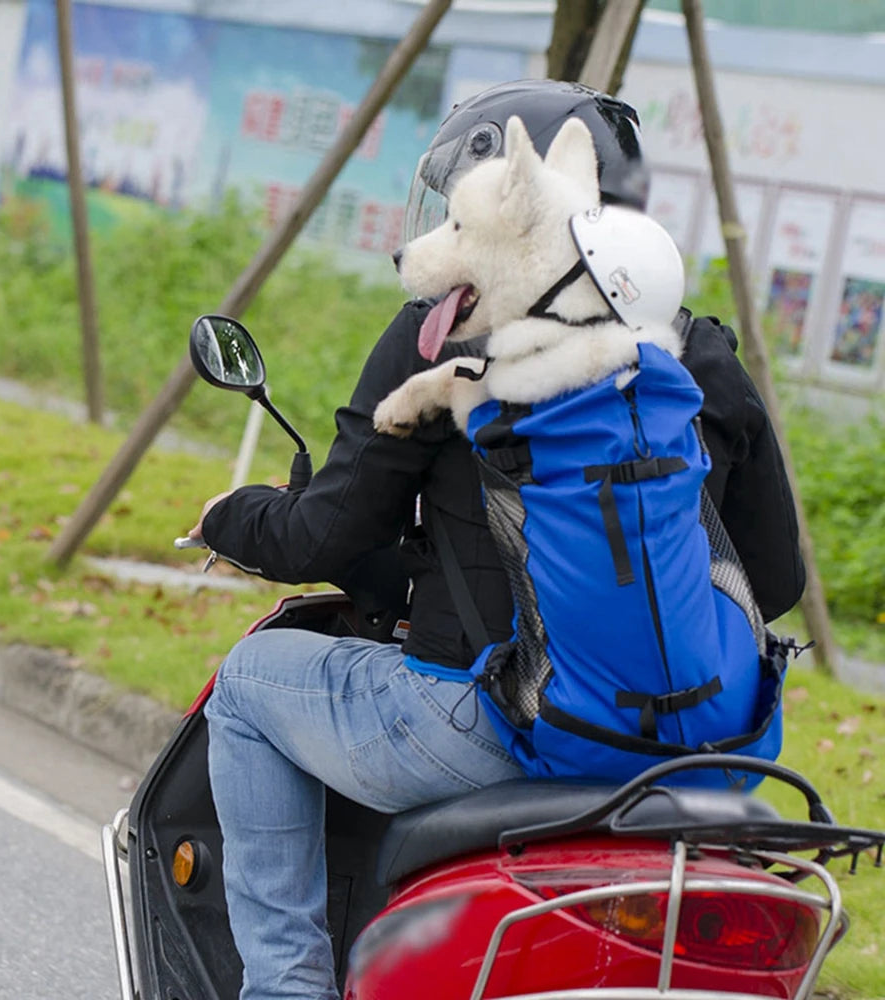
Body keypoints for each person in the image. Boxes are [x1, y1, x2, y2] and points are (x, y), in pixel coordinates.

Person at [188, 80, 805, 1000]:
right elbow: (777, 580)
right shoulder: (699, 355)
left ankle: (284, 986)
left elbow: (325, 536)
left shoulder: (449, 336)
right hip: (703, 747)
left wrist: (231, 517)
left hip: (498, 723)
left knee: (246, 687)